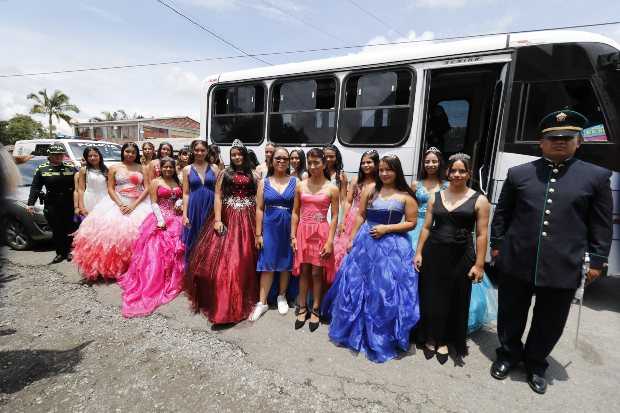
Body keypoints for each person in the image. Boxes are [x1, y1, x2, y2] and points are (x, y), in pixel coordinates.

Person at [489, 110, 613, 394]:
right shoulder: (520, 173)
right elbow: (503, 214)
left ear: (578, 142)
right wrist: (497, 247)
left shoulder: (595, 177)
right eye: (553, 138)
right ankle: (508, 354)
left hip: (563, 265)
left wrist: (597, 261)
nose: (560, 142)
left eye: (567, 137)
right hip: (517, 260)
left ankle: (535, 362)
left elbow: (601, 225)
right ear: (541, 143)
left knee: (550, 320)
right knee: (510, 314)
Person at [322, 154, 420, 363]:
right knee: (357, 285)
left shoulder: (405, 195)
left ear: (397, 171)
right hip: (366, 243)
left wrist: (387, 228)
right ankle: (355, 329)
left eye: (389, 169)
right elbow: (360, 215)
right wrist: (352, 237)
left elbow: (412, 222)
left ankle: (382, 334)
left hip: (393, 247)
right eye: (382, 169)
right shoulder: (370, 189)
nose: (384, 173)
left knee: (384, 289)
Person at [414, 153, 491, 364]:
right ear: (447, 172)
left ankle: (446, 340)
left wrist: (479, 264)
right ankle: (430, 336)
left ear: (469, 174)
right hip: (434, 253)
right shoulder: (435, 197)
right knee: (430, 295)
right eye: (453, 170)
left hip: (462, 255)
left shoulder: (480, 200)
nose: (457, 174)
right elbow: (427, 226)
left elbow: (482, 234)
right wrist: (419, 252)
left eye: (462, 171)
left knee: (455, 298)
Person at [186, 139, 258, 325]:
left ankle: (247, 296)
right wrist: (218, 219)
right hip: (229, 217)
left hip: (248, 218)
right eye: (234, 154)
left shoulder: (254, 174)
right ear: (230, 156)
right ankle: (224, 303)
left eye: (239, 154)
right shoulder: (224, 173)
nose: (237, 157)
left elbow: (259, 199)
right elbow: (218, 196)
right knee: (228, 259)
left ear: (244, 155)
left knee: (247, 258)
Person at [72, 142, 151, 280]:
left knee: (139, 235)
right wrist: (120, 204)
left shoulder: (142, 168)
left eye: (133, 152)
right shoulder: (114, 168)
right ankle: (119, 267)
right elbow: (110, 188)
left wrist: (134, 205)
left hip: (139, 203)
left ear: (137, 154)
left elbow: (147, 188)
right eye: (127, 151)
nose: (130, 154)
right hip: (117, 202)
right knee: (115, 237)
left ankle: (137, 266)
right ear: (123, 152)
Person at [119, 157, 185, 318]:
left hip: (177, 217)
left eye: (171, 167)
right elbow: (154, 203)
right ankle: (158, 280)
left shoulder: (179, 182)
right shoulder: (155, 182)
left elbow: (184, 196)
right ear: (161, 169)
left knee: (179, 248)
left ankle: (177, 280)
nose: (168, 170)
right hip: (160, 218)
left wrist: (181, 201)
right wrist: (161, 220)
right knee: (157, 251)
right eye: (166, 167)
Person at [290, 148, 339, 332]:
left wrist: (330, 241)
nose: (312, 166)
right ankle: (302, 307)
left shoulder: (332, 188)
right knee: (304, 271)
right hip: (303, 231)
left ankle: (316, 309)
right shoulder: (300, 185)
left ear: (324, 164)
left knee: (317, 273)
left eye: (316, 162)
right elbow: (295, 212)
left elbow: (334, 217)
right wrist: (293, 235)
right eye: (309, 163)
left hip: (321, 233)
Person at [250, 147, 297, 321]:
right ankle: (262, 303)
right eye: (278, 158)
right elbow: (259, 209)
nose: (281, 161)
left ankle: (281, 296)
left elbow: (296, 210)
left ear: (289, 161)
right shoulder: (264, 182)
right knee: (267, 263)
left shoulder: (295, 181)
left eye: (285, 158)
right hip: (269, 225)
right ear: (272, 160)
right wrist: (258, 233)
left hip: (287, 225)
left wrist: (294, 234)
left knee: (286, 261)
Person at [26, 144, 77, 263]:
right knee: (57, 230)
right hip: (52, 203)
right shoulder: (41, 168)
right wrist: (30, 204)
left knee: (70, 228)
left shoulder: (70, 167)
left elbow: (78, 185)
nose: (59, 157)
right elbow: (35, 188)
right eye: (56, 155)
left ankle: (69, 251)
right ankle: (60, 253)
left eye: (61, 155)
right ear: (50, 155)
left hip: (69, 202)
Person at [333, 149, 379, 269]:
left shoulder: (380, 183)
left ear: (376, 164)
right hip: (352, 219)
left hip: (370, 219)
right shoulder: (356, 181)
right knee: (345, 250)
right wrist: (342, 221)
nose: (365, 165)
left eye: (369, 162)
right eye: (363, 163)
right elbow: (348, 202)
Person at [181, 140, 218, 261]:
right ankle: (192, 269)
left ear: (207, 151)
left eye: (202, 150)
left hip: (211, 206)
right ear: (192, 151)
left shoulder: (214, 167)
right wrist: (185, 215)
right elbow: (186, 193)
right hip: (194, 207)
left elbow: (219, 192)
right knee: (194, 237)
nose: (199, 153)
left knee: (210, 237)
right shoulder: (187, 169)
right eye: (197, 150)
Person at [408, 147, 447, 248]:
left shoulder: (447, 186)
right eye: (427, 162)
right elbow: (409, 208)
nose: (430, 165)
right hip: (417, 226)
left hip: (438, 226)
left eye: (434, 161)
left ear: (440, 163)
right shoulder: (415, 184)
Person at [76, 146, 108, 216]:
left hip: (105, 199)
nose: (93, 158)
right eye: (90, 156)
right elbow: (81, 189)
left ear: (100, 156)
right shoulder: (84, 170)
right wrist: (81, 207)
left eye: (95, 155)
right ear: (86, 158)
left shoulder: (106, 170)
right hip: (89, 199)